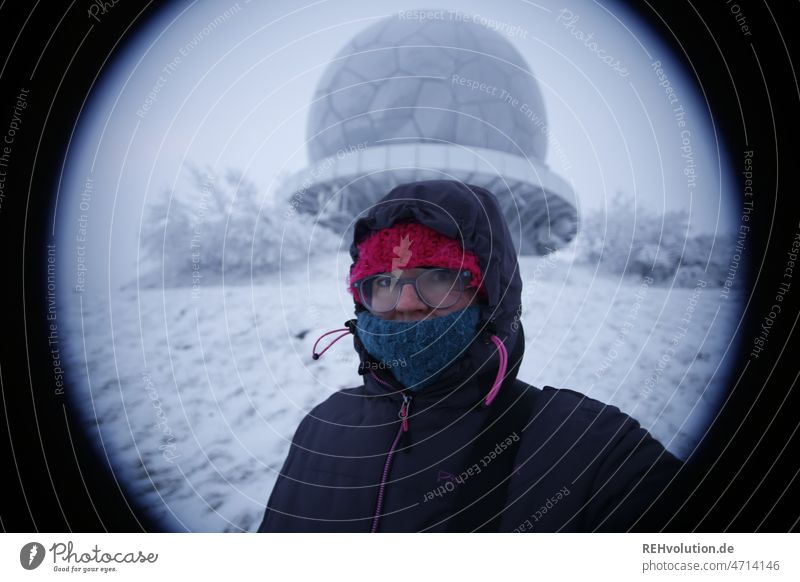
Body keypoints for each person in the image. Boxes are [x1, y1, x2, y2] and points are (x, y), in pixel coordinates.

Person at [258, 179, 682, 532]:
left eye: (439, 277)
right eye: (382, 282)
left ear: (490, 297)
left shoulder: (589, 449)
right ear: (360, 299)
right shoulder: (320, 429)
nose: (405, 303)